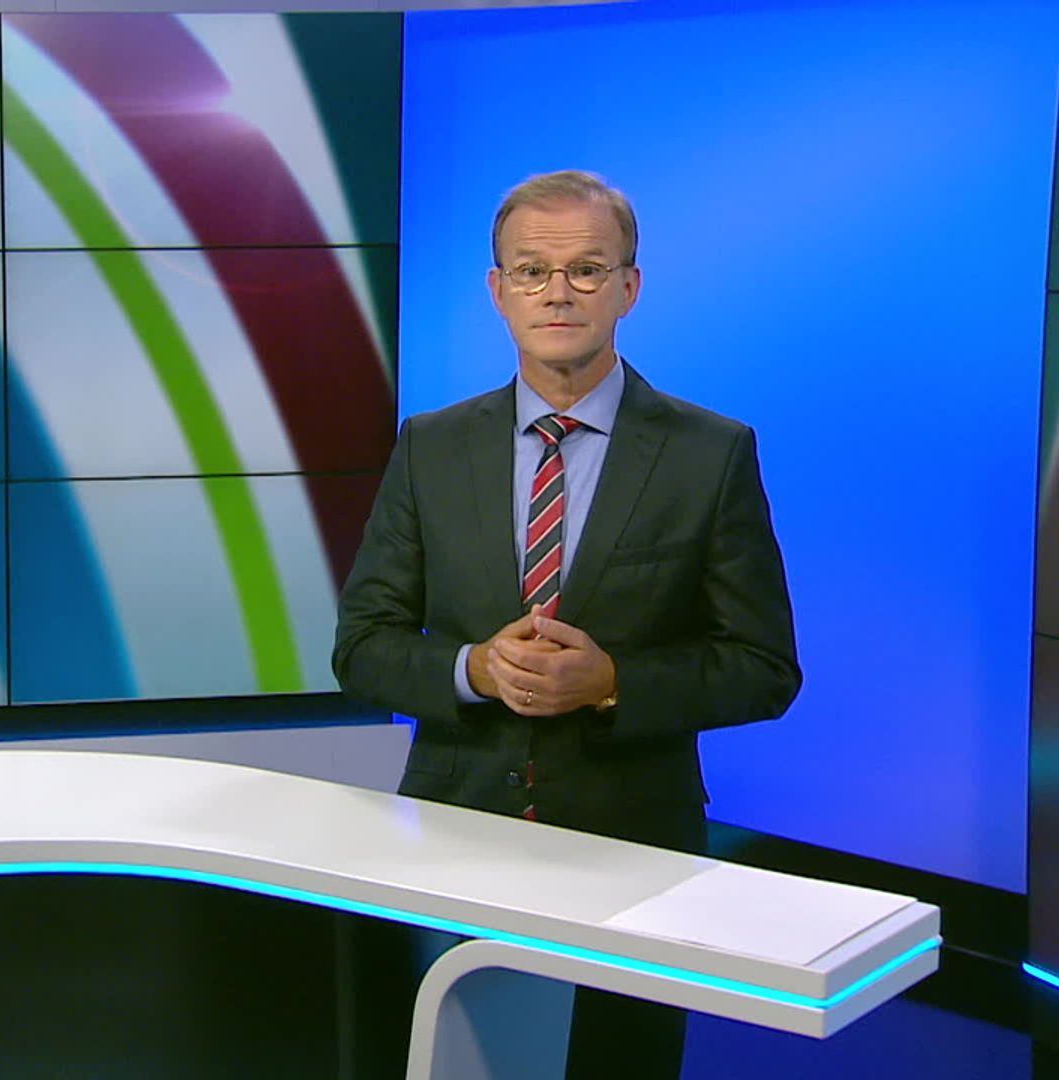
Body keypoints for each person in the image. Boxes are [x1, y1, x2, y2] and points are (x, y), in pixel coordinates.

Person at [331, 170, 801, 1078]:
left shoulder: (710, 453)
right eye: (532, 270)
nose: (558, 292)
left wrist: (613, 682)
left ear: (629, 286)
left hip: (635, 848)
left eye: (586, 269)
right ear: (498, 289)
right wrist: (472, 668)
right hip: (454, 836)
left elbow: (764, 666)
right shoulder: (431, 445)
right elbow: (362, 646)